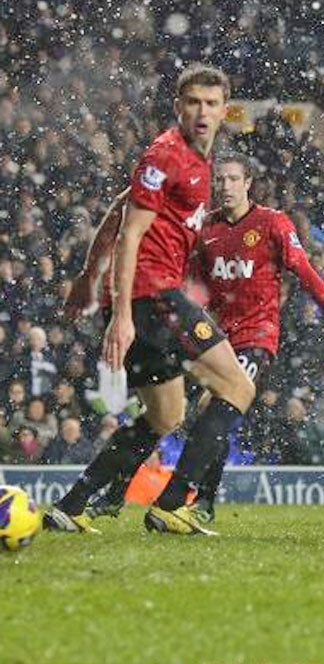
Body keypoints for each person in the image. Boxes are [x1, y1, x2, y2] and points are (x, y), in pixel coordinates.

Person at [82, 153, 324, 522]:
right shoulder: (207, 230)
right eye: (221, 180)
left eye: (234, 179)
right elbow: (194, 285)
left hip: (256, 337)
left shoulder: (272, 223)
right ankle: (116, 493)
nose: (226, 186)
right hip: (211, 337)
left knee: (210, 407)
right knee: (164, 411)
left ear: (248, 183)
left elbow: (304, 270)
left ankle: (201, 502)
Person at [44, 63, 256, 536]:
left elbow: (121, 207)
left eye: (211, 103)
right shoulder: (168, 154)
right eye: (193, 102)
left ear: (225, 110)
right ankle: (175, 504)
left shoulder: (194, 161)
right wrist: (122, 315)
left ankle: (73, 506)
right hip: (153, 297)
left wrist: (85, 275)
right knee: (239, 388)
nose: (202, 112)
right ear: (179, 106)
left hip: (148, 300)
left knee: (167, 415)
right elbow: (132, 233)